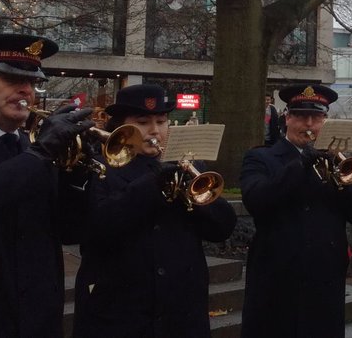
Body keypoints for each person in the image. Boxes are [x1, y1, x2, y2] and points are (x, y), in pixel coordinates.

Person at [74, 83, 237, 337]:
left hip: (181, 310)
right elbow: (97, 228)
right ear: (121, 127)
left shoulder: (186, 164)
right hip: (122, 310)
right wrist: (152, 184)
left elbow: (222, 228)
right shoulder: (101, 166)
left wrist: (195, 193)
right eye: (143, 122)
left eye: (161, 122)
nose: (155, 131)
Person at [240, 84, 352, 337]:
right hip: (277, 275)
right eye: (301, 116)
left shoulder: (334, 162)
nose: (309, 124)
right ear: (287, 119)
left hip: (325, 276)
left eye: (316, 117)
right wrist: (300, 164)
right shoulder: (261, 158)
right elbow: (256, 200)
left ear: (325, 121)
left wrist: (344, 179)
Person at [0, 33, 93, 338]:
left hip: (39, 318)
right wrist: (42, 153)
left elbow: (69, 232)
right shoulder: (38, 151)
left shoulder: (31, 147)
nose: (26, 91)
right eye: (11, 79)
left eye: (32, 82)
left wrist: (76, 174)